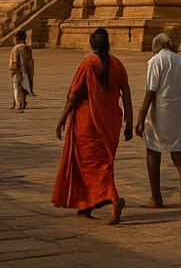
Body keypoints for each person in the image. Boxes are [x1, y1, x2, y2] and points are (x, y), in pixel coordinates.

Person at [53, 28, 133, 224]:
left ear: (92, 44)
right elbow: (127, 93)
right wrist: (129, 121)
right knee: (102, 163)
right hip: (111, 122)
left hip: (87, 121)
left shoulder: (88, 63)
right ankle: (86, 203)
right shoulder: (117, 64)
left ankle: (114, 199)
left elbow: (73, 95)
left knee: (91, 164)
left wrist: (61, 120)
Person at [135, 27, 181, 211]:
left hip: (159, 114)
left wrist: (140, 118)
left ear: (157, 47)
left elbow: (150, 92)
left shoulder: (155, 62)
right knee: (178, 151)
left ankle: (156, 197)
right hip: (178, 114)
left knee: (153, 151)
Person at [9, 29, 36, 112]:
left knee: (17, 87)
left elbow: (15, 60)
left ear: (17, 38)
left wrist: (13, 70)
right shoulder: (27, 47)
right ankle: (23, 102)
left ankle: (18, 104)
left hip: (18, 69)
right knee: (24, 86)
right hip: (26, 70)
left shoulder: (16, 48)